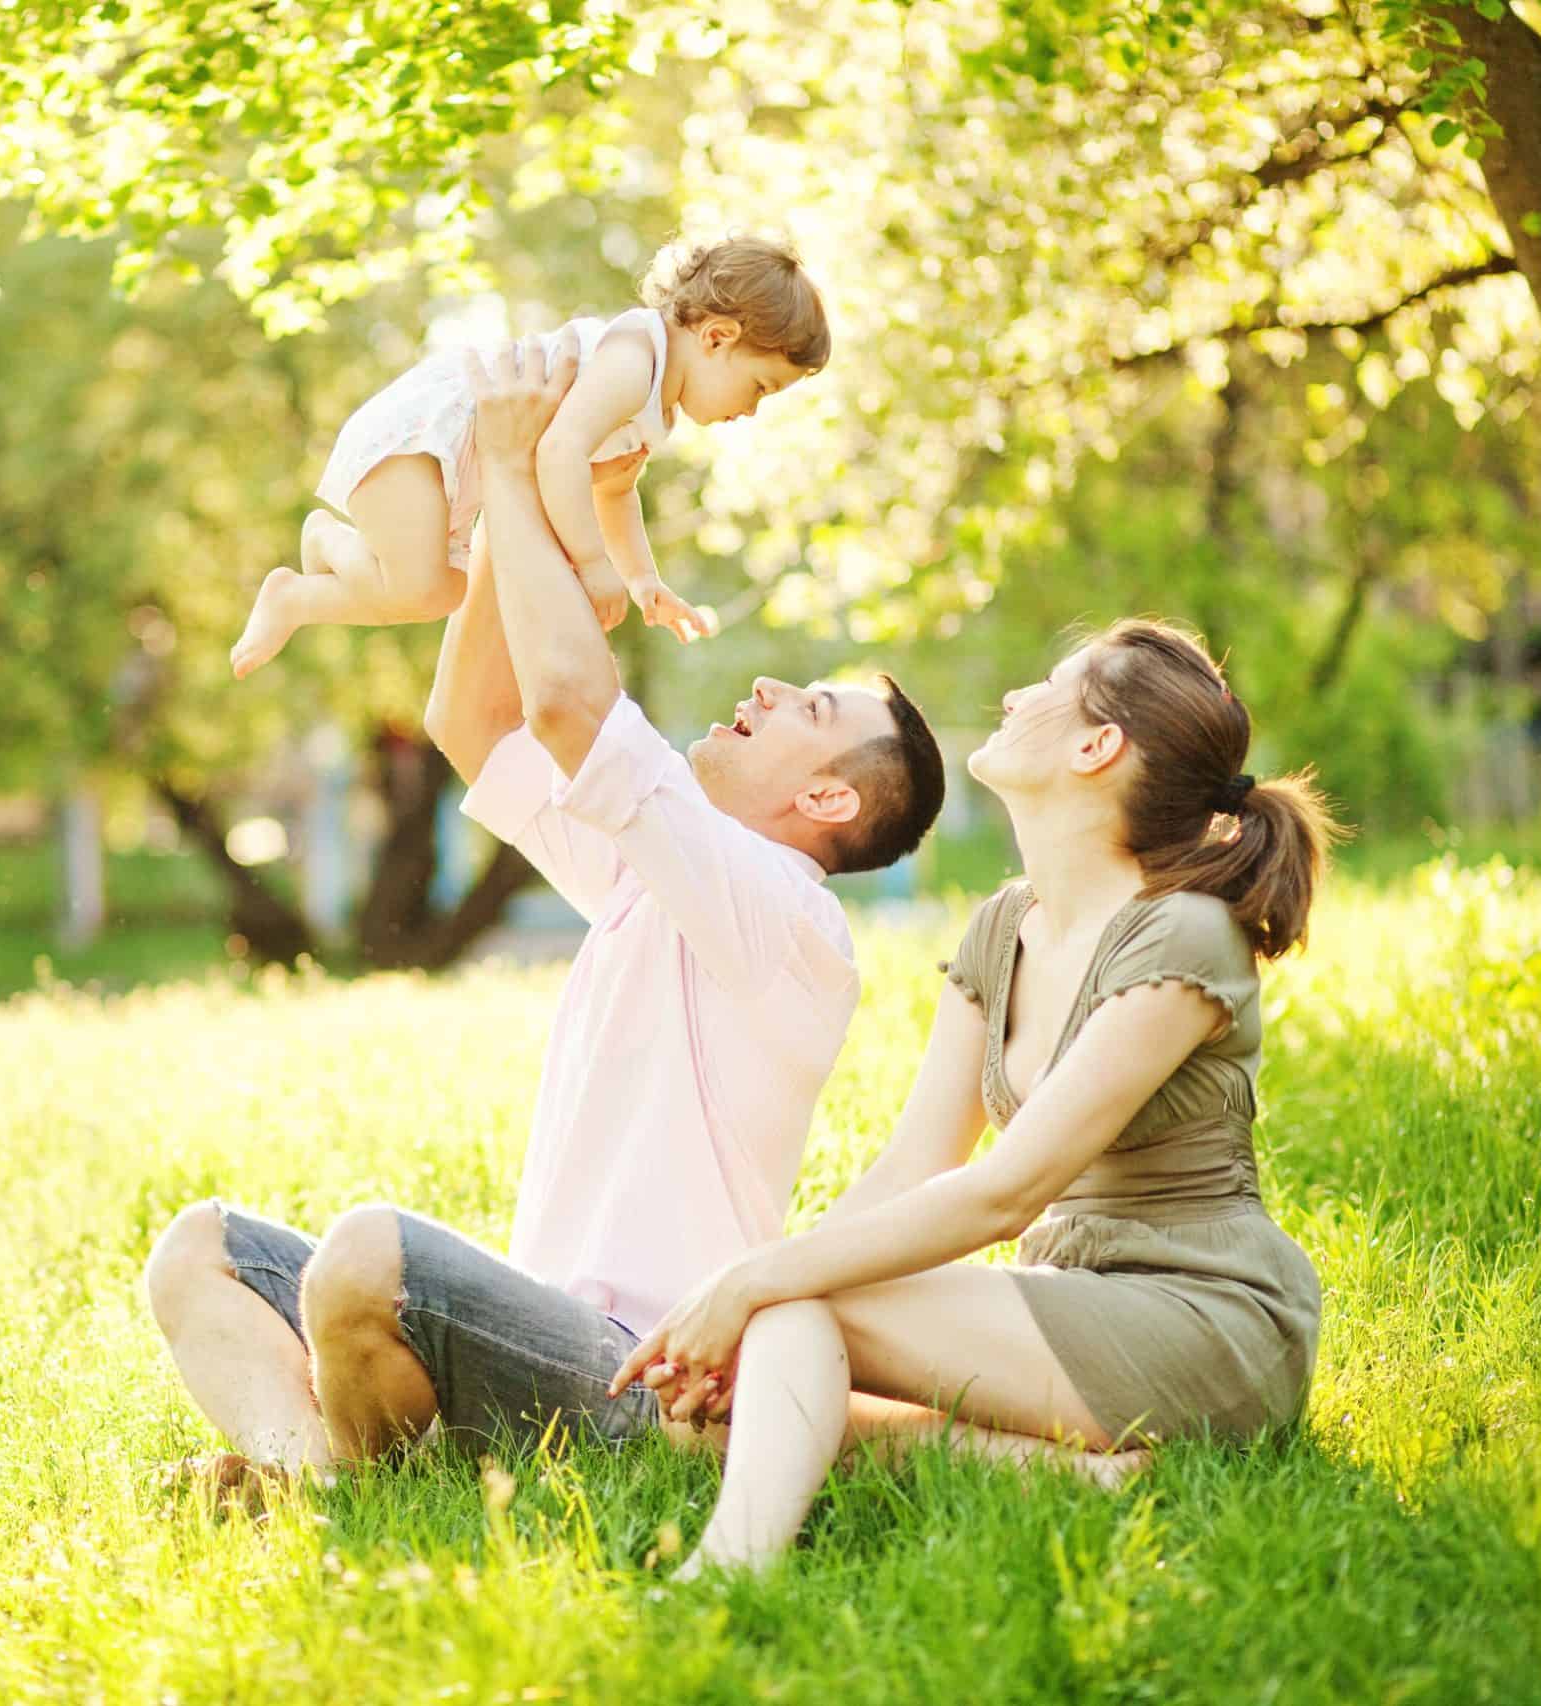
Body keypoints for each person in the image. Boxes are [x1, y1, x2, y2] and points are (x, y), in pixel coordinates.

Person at [147, 337, 944, 1495]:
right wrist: (484, 501)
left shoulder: (785, 921)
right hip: (525, 1337)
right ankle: (312, 1482)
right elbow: (474, 719)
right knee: (199, 1251)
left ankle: (354, 1485)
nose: (765, 689)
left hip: (635, 1379)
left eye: (806, 705)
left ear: (827, 797)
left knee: (369, 1254)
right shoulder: (651, 878)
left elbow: (570, 701)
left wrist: (525, 474)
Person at [610, 619, 1339, 1577]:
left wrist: (753, 1283)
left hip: (1201, 1318)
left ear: (1096, 746)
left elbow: (1006, 1193)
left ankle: (729, 1575)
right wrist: (763, 1289)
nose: (1014, 699)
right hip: (1069, 1301)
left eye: (1046, 685)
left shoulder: (1186, 937)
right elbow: (915, 1166)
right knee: (732, 1409)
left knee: (792, 1323)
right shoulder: (1003, 928)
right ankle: (1071, 1475)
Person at [227, 235, 828, 678]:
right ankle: (304, 580)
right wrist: (594, 565)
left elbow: (614, 490)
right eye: (760, 387)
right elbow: (560, 452)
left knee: (440, 593)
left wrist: (642, 578)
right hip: (433, 434)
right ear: (717, 337)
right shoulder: (633, 355)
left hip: (463, 472)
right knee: (414, 588)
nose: (752, 411)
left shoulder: (656, 407)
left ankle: (326, 556)